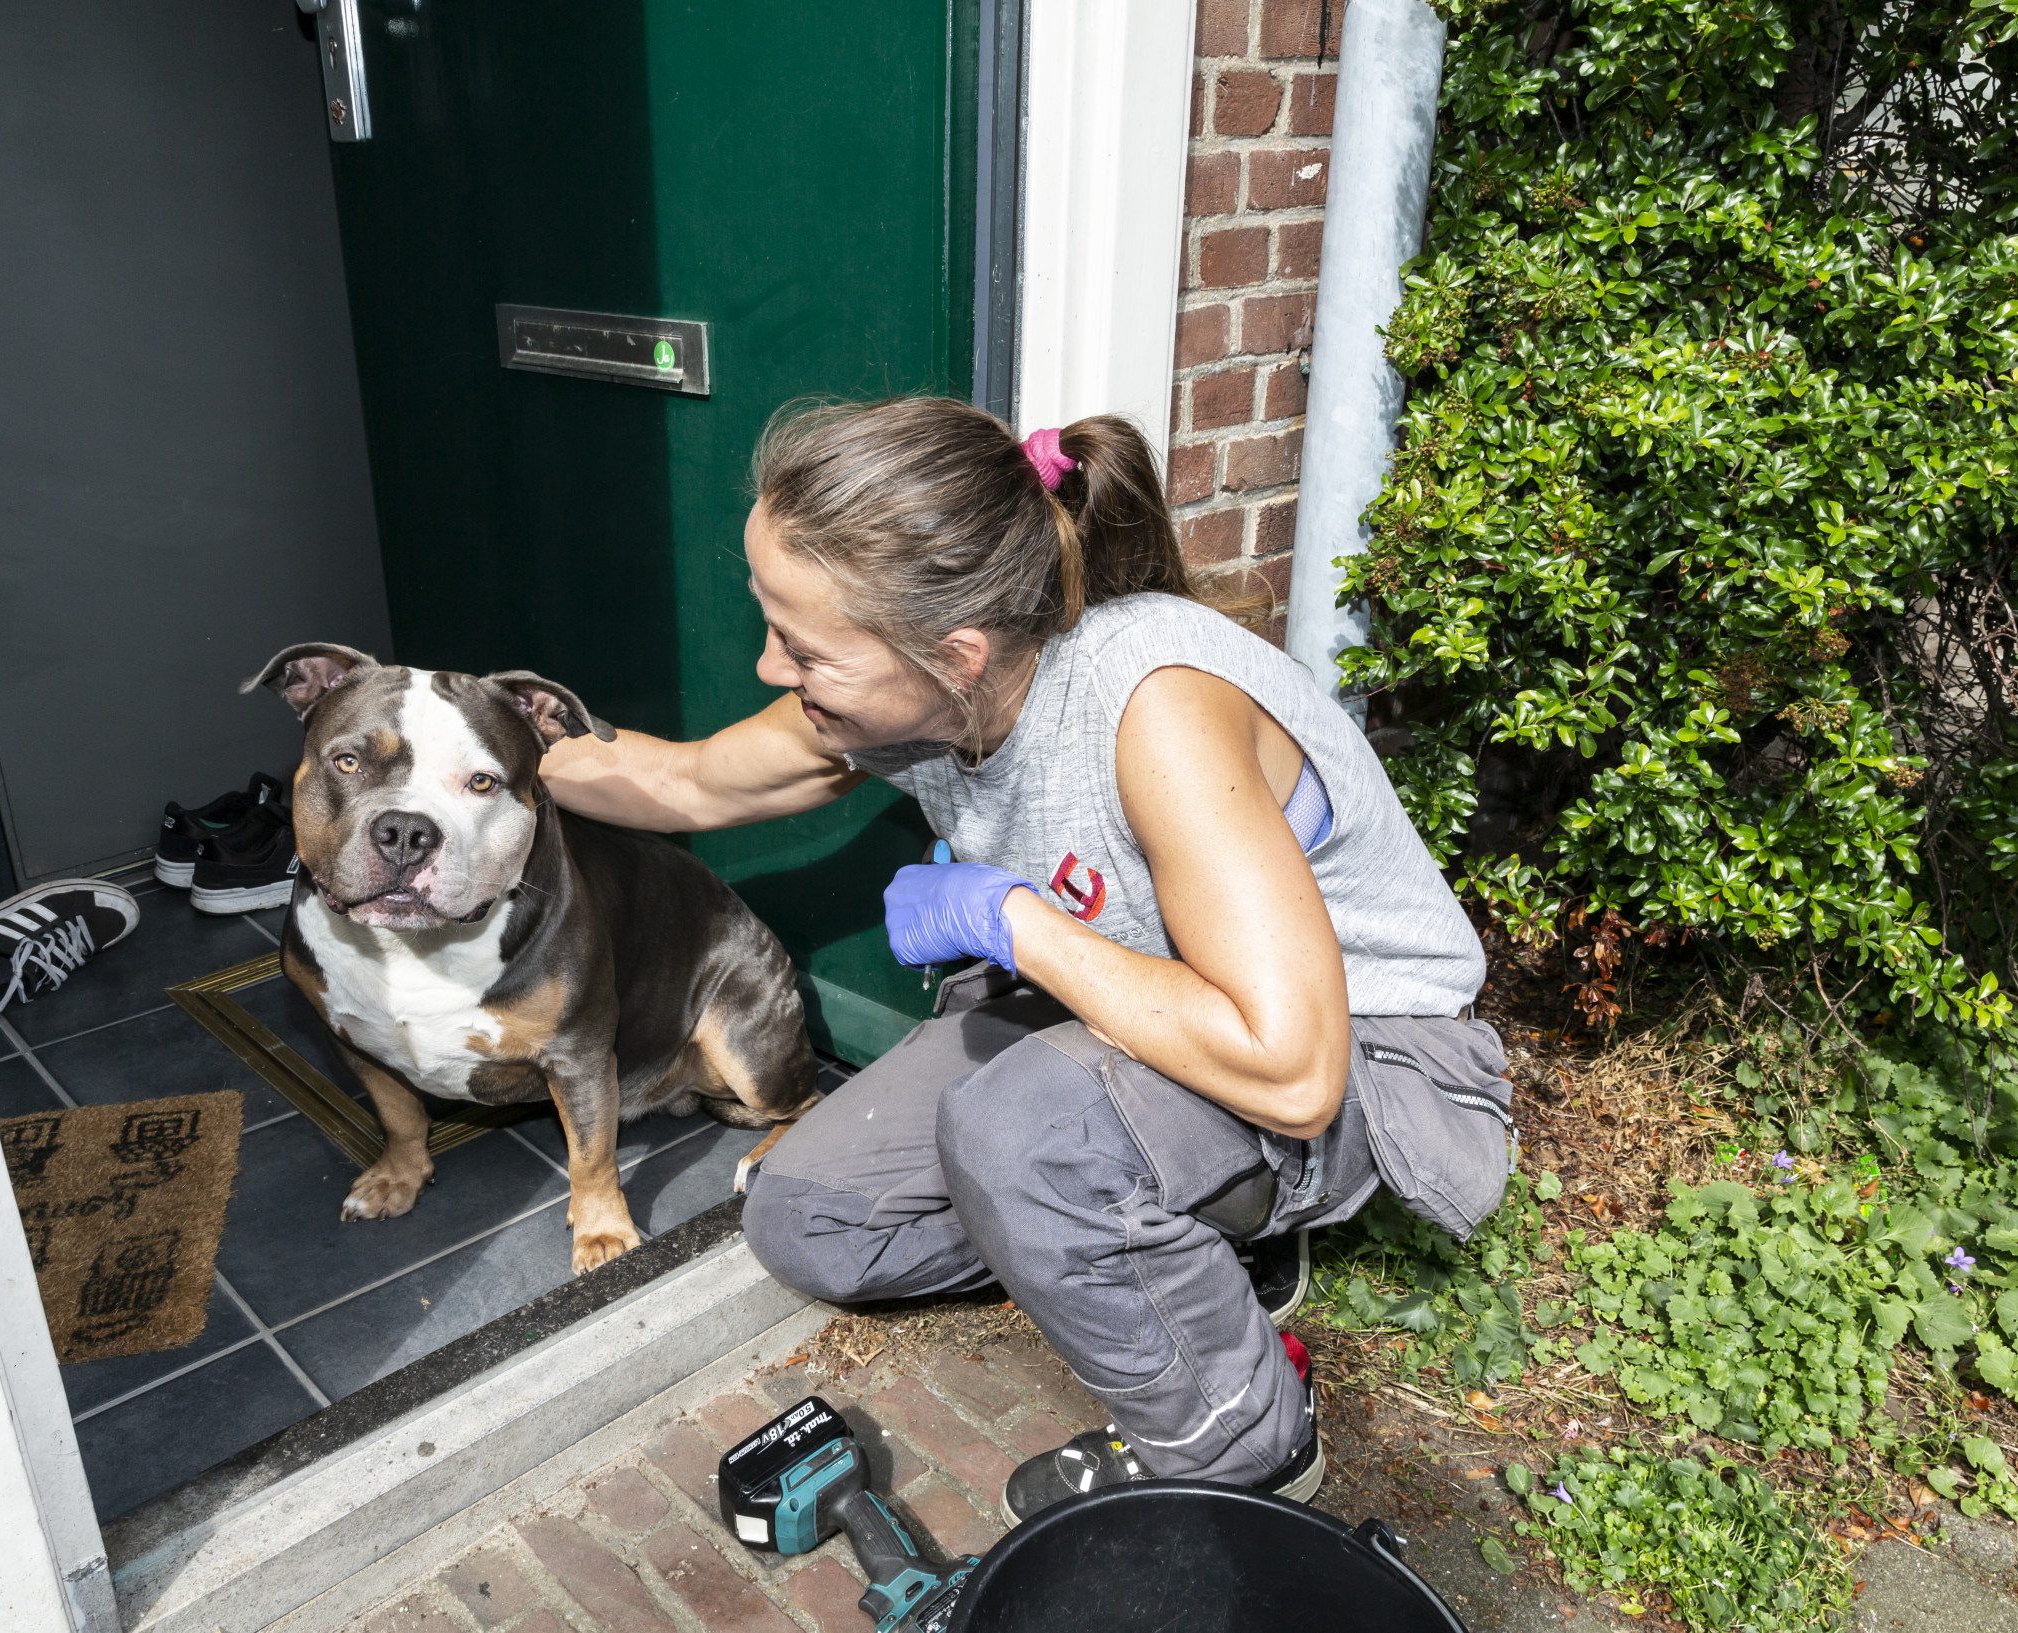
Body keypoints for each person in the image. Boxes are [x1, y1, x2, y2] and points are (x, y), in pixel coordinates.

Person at [542, 397, 1514, 1522]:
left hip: (1365, 1060)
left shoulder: (1154, 711)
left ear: (954, 654)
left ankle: (1244, 1441)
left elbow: (1293, 1070)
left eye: (802, 648)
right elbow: (685, 782)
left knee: (1023, 1134)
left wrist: (1010, 922)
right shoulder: (913, 700)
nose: (770, 666)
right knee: (808, 1218)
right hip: (1124, 1013)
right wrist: (476, 749)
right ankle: (1193, 1232)